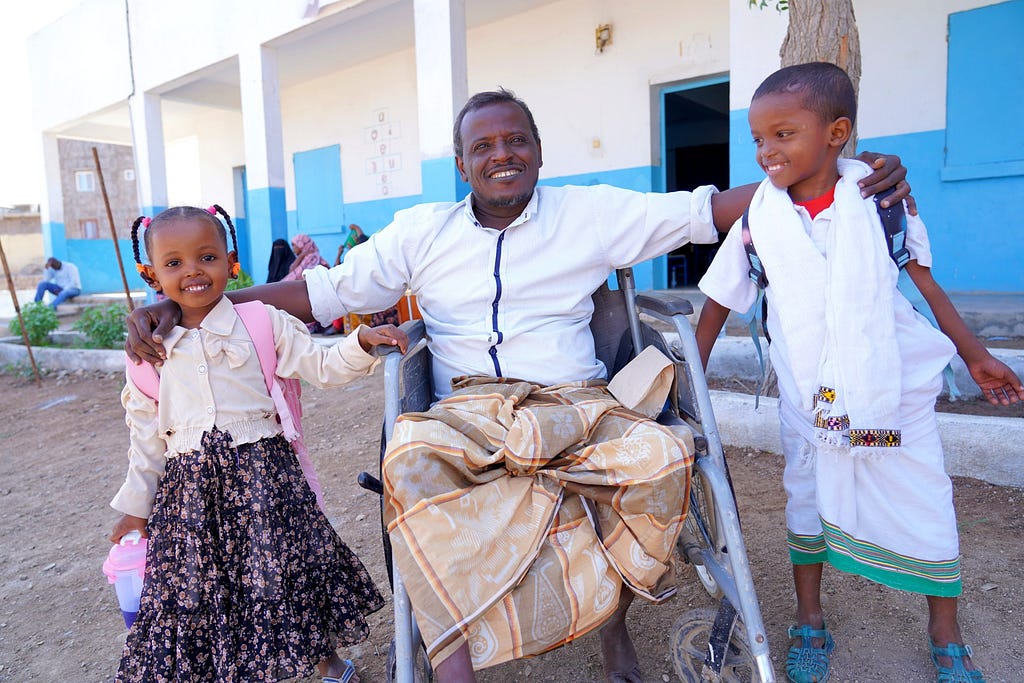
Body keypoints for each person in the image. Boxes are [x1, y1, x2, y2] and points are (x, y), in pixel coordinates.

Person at [125, 88, 912, 683]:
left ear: (537, 150)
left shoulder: (591, 213)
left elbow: (712, 209)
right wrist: (198, 302)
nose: (501, 154)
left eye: (516, 141)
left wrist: (837, 168)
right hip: (467, 403)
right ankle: (456, 660)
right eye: (483, 145)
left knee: (663, 457)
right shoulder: (419, 231)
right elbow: (323, 293)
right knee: (409, 470)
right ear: (462, 163)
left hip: (577, 398)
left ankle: (610, 618)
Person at [694, 63, 1023, 683]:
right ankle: (809, 620)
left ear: (836, 132)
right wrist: (691, 377)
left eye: (784, 134)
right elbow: (716, 302)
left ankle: (945, 632)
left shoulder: (882, 204)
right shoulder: (758, 220)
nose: (767, 151)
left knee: (922, 496)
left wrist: (974, 354)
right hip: (809, 402)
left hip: (885, 400)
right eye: (759, 138)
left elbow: (923, 283)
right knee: (808, 499)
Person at [110, 204, 408, 683]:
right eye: (173, 263)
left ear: (231, 262)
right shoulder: (148, 355)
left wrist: (362, 344)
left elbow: (320, 367)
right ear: (150, 274)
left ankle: (329, 665)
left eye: (206, 257)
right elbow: (146, 440)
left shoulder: (262, 323)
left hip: (266, 483)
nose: (192, 271)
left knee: (287, 575)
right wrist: (135, 508)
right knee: (206, 591)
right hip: (190, 500)